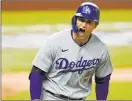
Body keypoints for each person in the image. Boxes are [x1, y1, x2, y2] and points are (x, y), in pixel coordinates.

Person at [29, 1, 113, 100]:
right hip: (51, 97)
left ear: (95, 25)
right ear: (75, 20)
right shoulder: (54, 42)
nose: (84, 25)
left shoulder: (100, 49)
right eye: (81, 20)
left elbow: (103, 79)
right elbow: (36, 73)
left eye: (89, 22)